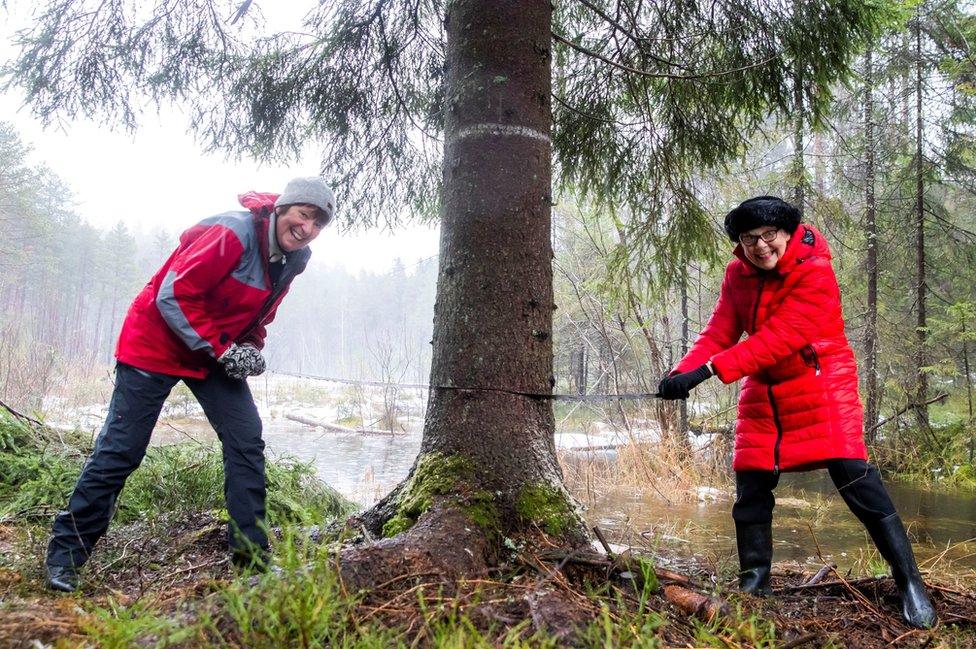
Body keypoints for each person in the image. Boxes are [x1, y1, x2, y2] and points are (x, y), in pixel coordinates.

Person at [657, 196, 937, 629]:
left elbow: (781, 336)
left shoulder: (815, 271)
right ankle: (754, 583)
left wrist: (710, 371)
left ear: (787, 233)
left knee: (856, 480)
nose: (760, 246)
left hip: (822, 381)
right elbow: (721, 329)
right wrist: (683, 371)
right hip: (764, 387)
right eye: (749, 239)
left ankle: (910, 581)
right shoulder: (738, 274)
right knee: (751, 485)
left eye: (769, 236)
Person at [45, 177, 336, 592]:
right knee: (121, 450)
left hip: (212, 350)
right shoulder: (231, 233)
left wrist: (250, 347)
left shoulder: (296, 259)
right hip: (155, 342)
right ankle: (65, 558)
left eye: (318, 224)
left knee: (246, 440)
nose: (307, 228)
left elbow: (260, 312)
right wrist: (224, 350)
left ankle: (251, 560)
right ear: (281, 209)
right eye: (303, 215)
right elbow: (175, 295)